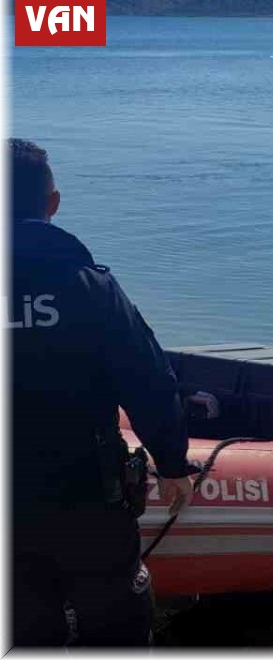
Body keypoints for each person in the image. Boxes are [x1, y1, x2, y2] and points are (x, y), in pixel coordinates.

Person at [9, 138, 196, 647]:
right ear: (53, 204)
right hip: (86, 500)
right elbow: (148, 378)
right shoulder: (89, 288)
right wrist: (173, 463)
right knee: (117, 627)